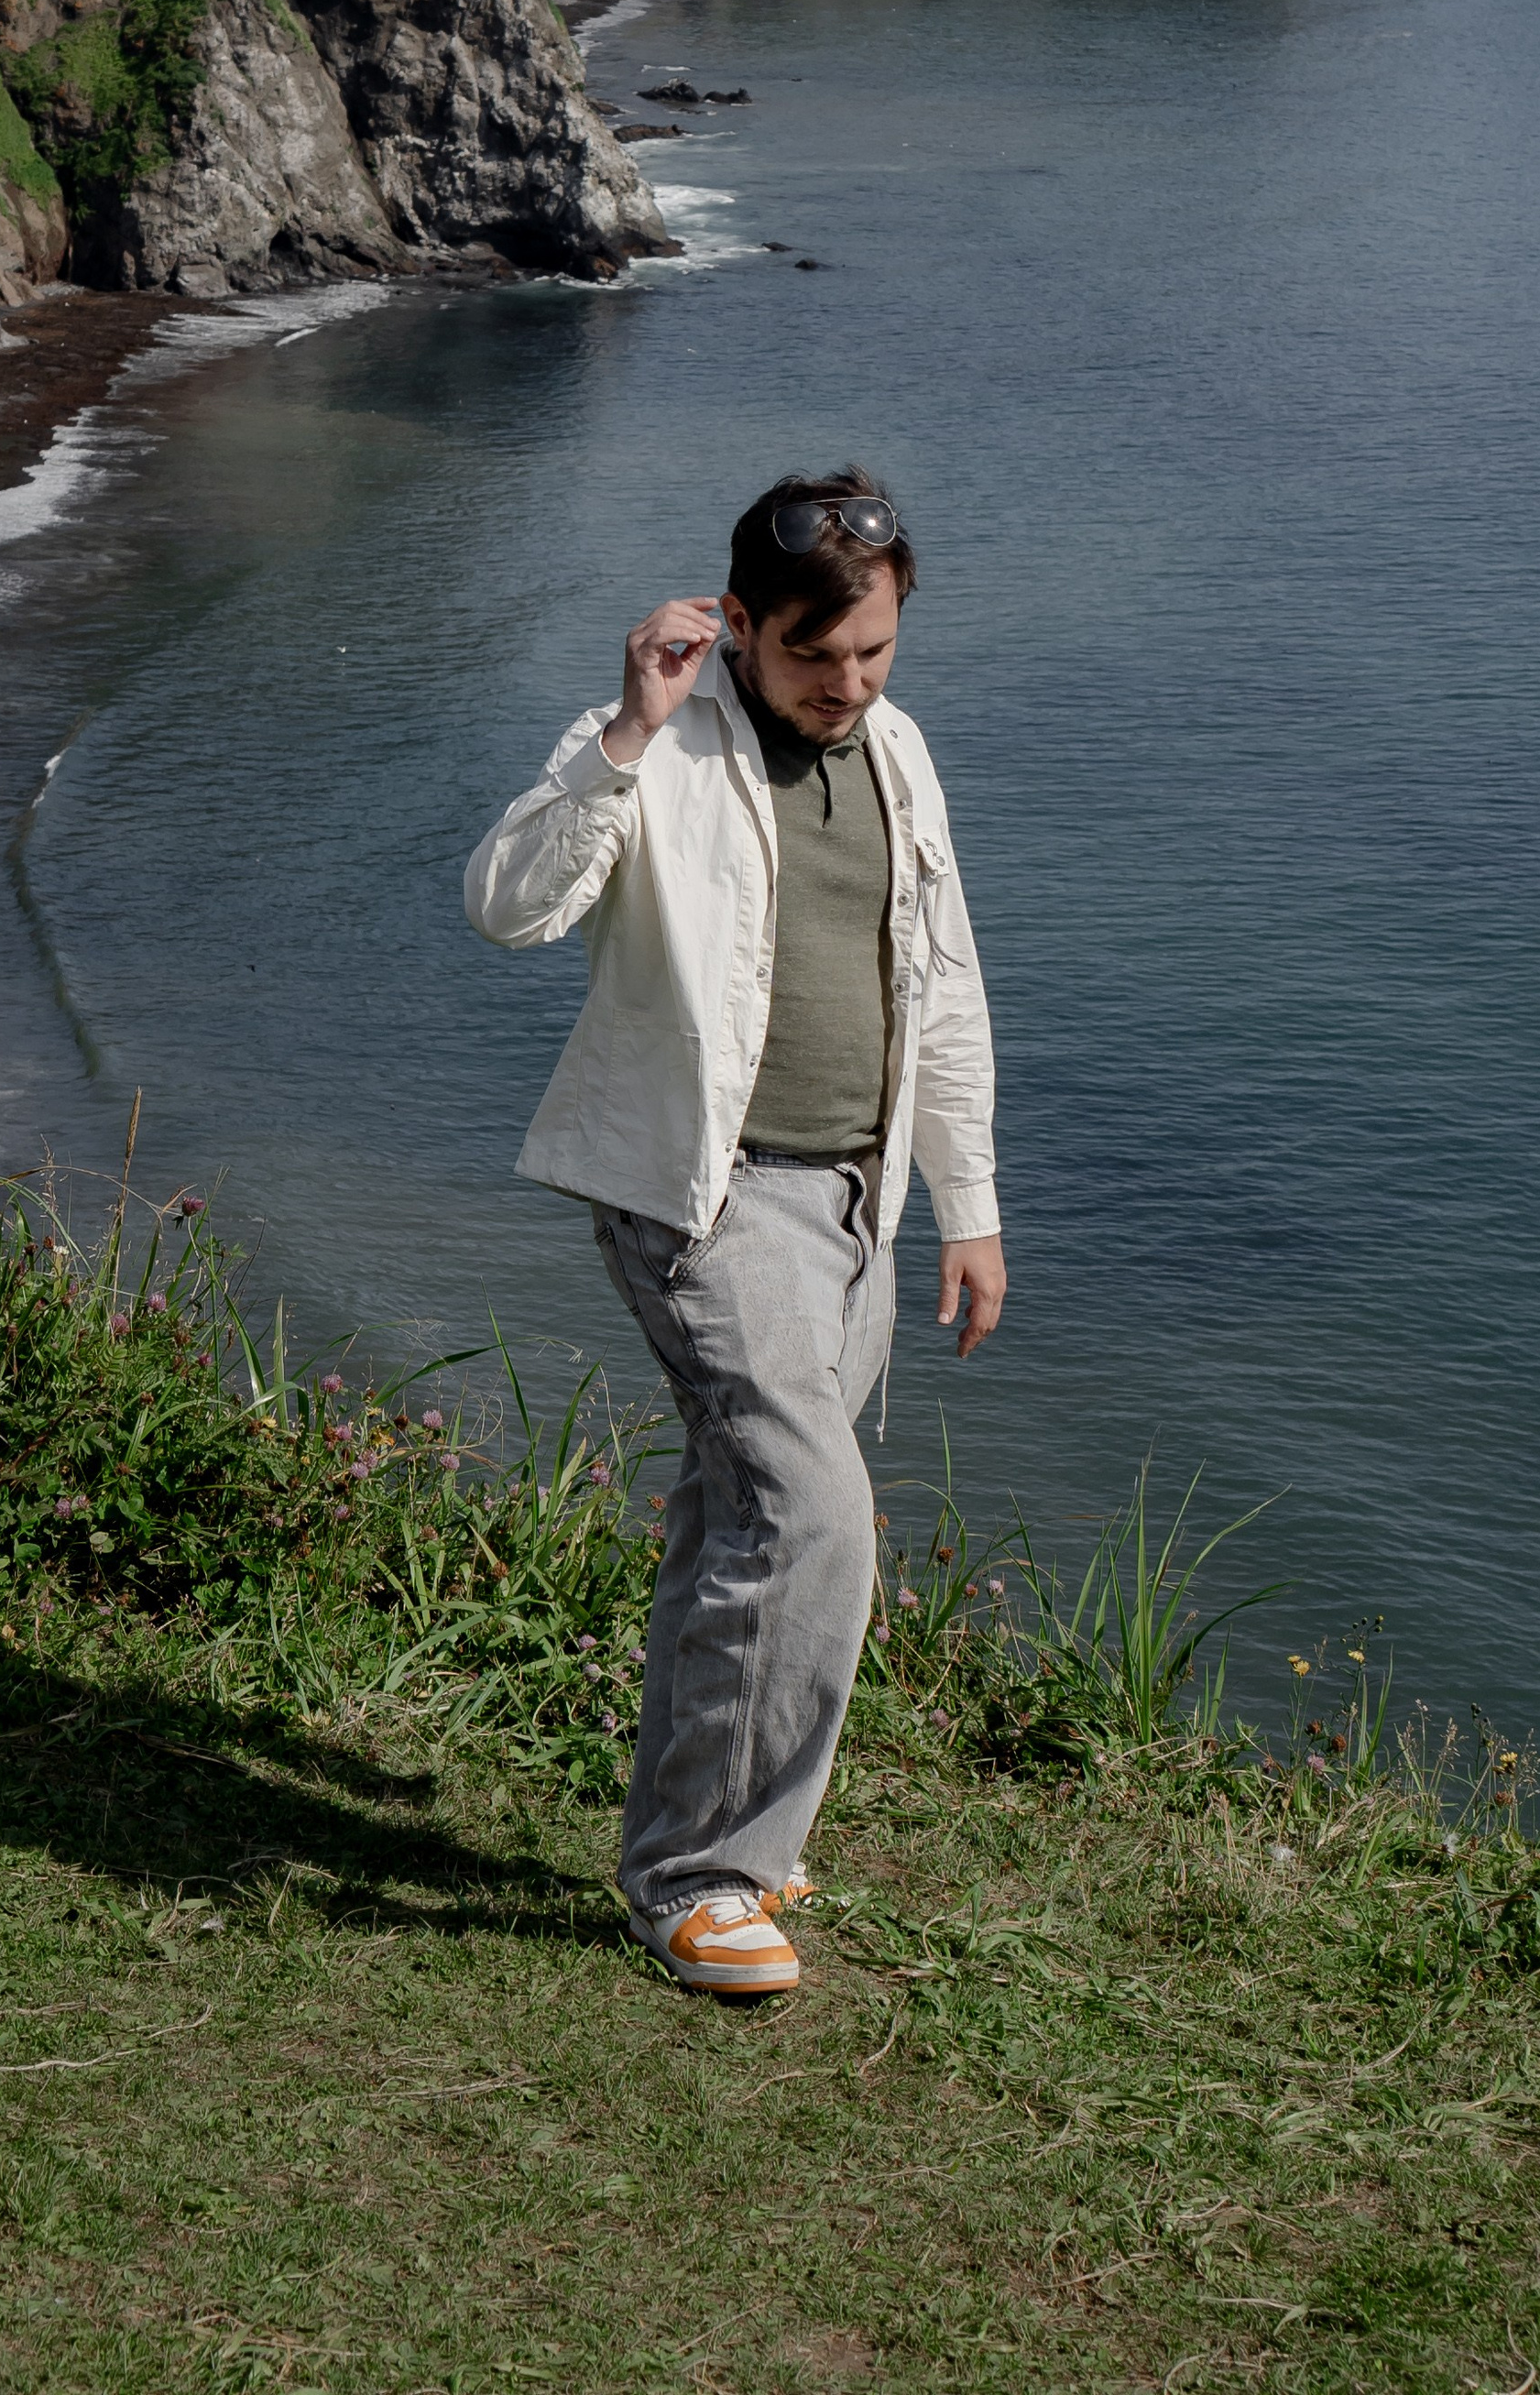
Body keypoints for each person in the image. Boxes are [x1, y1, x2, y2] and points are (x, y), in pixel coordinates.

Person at [464, 468, 1003, 1999]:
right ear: (740, 623)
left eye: (875, 653)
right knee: (815, 1520)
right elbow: (508, 907)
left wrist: (968, 1208)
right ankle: (705, 1879)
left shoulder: (897, 754)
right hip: (701, 1197)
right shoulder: (655, 751)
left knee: (734, 1524)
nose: (847, 686)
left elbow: (943, 987)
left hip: (859, 1199)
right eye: (814, 655)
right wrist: (624, 733)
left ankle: (695, 1831)